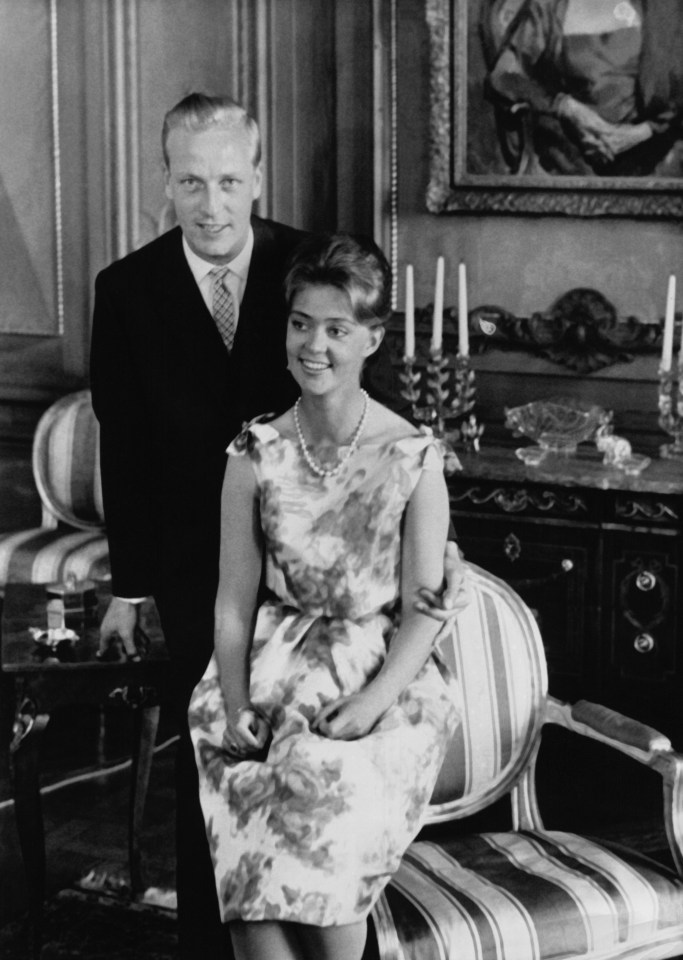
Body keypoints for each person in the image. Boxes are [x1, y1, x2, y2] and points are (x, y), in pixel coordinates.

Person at [89, 93, 467, 958]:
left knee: (317, 790)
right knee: (216, 772)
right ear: (167, 182)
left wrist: (427, 532)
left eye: (229, 180)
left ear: (257, 176)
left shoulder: (309, 267)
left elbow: (379, 412)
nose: (211, 204)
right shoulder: (126, 290)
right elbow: (126, 449)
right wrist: (128, 584)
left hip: (329, 561)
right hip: (205, 566)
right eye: (191, 182)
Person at [188, 233, 461, 960]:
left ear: (371, 338)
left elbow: (422, 612)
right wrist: (239, 701)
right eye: (301, 323)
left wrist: (370, 705)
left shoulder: (411, 456)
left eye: (336, 329)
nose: (314, 345)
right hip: (271, 667)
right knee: (251, 842)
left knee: (314, 779)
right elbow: (232, 606)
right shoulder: (254, 453)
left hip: (379, 678)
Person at [482, 0, 683, 176]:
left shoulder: (663, 7)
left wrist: (638, 133)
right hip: (567, 162)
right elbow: (502, 77)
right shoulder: (548, 6)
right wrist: (566, 107)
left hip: (651, 157)